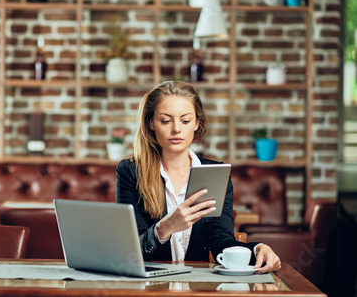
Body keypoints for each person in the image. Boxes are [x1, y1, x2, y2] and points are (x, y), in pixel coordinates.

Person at [115, 80, 281, 273]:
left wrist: (258, 248)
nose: (176, 129)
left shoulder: (216, 173)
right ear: (151, 123)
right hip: (150, 284)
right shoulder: (130, 171)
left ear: (196, 123)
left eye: (185, 121)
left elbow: (222, 243)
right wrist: (164, 228)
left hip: (198, 285)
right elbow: (130, 250)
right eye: (166, 121)